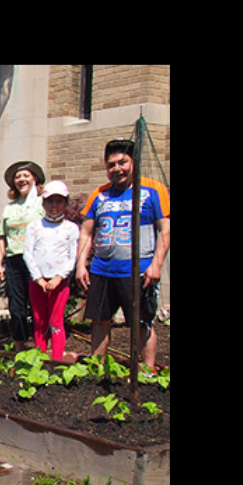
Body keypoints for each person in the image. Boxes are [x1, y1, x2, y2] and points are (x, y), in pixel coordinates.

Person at [76, 139, 170, 369]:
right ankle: (97, 368)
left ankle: (148, 371)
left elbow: (165, 230)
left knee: (141, 323)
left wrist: (156, 265)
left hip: (138, 271)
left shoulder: (152, 190)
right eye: (111, 164)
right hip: (102, 270)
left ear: (134, 162)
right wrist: (80, 265)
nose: (116, 169)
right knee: (99, 321)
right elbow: (86, 232)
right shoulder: (99, 195)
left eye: (122, 162)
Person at [24, 181, 80, 361]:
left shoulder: (71, 228)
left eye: (59, 201)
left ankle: (56, 362)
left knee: (55, 323)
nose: (54, 206)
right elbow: (28, 253)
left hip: (59, 283)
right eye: (50, 201)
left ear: (65, 203)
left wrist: (58, 278)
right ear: (43, 203)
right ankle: (39, 361)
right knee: (40, 321)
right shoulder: (34, 226)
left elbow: (72, 257)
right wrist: (39, 279)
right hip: (37, 282)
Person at [0, 160, 46, 349]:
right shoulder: (10, 208)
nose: (21, 179)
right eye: (18, 177)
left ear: (35, 179)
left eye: (26, 175)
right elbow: (2, 238)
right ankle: (19, 347)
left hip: (36, 260)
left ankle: (40, 347)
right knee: (16, 307)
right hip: (14, 260)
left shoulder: (42, 203)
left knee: (37, 306)